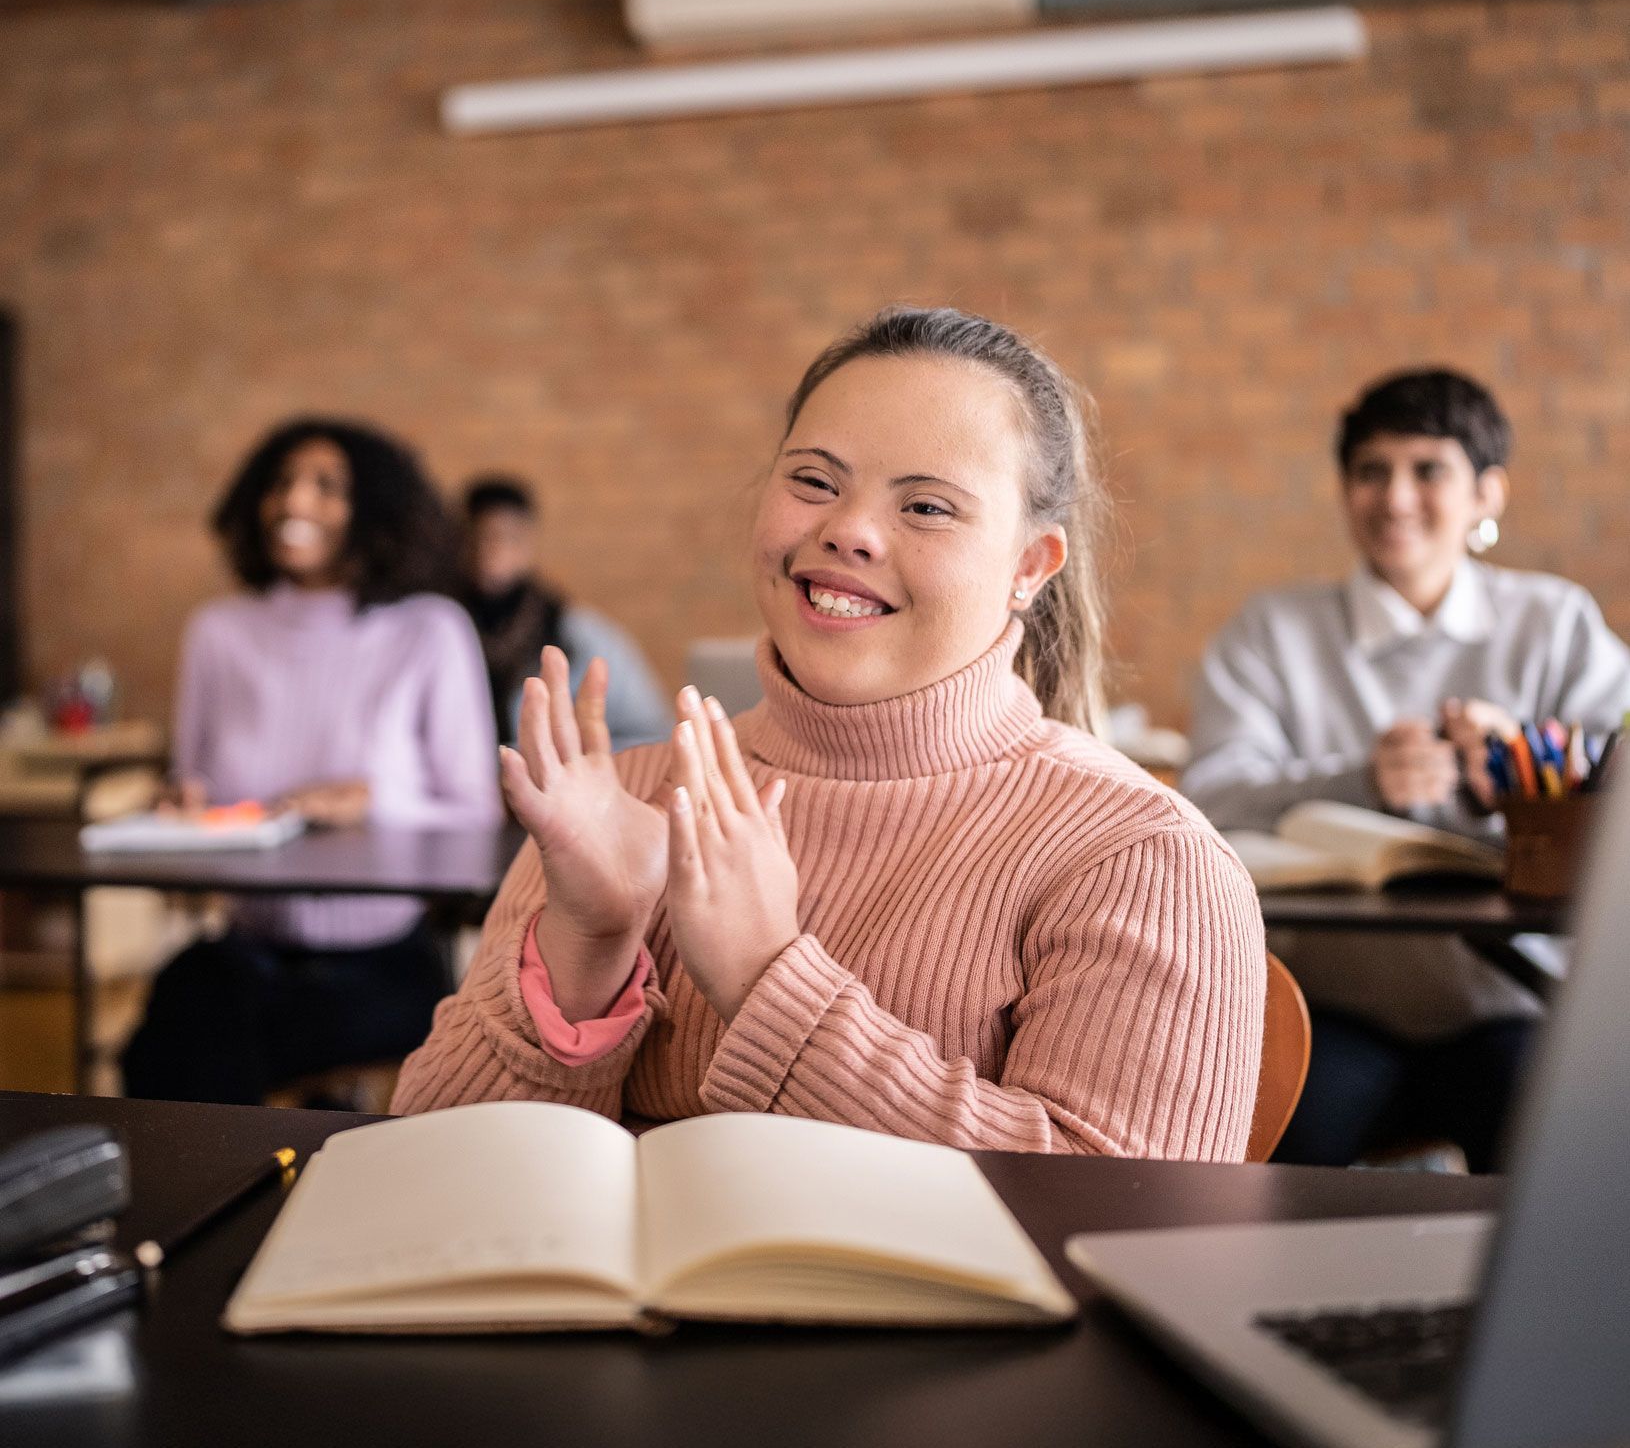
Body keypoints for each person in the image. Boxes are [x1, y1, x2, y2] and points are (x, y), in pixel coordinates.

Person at [394, 307, 1266, 1158]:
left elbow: (1116, 1225)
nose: (846, 530)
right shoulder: (618, 798)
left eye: (926, 507)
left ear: (1031, 566)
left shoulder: (1140, 855)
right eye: (813, 480)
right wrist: (587, 939)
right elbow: (428, 1180)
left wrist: (767, 980)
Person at [1182, 369, 1630, 1170]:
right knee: (1268, 1164)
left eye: (1428, 470)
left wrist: (1533, 770)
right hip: (1333, 1007)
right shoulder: (1271, 629)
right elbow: (1208, 798)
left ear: (1487, 494)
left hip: (1512, 1002)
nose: (1394, 497)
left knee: (1567, 1169)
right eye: (1370, 470)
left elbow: (1614, 769)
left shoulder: (1554, 621)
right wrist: (1361, 780)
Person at [122, 417, 502, 1105]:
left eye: (326, 487)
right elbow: (195, 780)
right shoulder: (219, 632)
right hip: (246, 948)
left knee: (214, 1043)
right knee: (181, 1019)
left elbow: (477, 814)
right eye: (281, 483)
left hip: (382, 959)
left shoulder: (428, 631)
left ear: (377, 511)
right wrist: (182, 800)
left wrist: (373, 801)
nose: (294, 503)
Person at [459, 477, 669, 749]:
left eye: (507, 538)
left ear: (527, 543)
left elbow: (650, 732)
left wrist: (577, 756)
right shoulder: (442, 629)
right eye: (480, 538)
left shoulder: (579, 635)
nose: (491, 552)